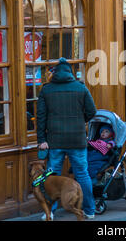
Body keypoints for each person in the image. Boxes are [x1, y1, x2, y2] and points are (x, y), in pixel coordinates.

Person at [37, 57, 97, 219]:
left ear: (55, 73)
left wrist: (41, 139)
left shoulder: (46, 90)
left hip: (54, 139)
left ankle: (51, 212)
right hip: (77, 139)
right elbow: (92, 112)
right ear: (70, 73)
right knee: (82, 174)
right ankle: (90, 210)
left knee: (52, 176)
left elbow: (41, 116)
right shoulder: (81, 88)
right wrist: (79, 121)